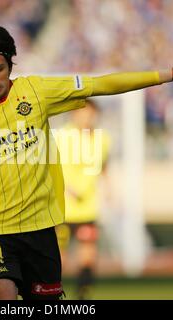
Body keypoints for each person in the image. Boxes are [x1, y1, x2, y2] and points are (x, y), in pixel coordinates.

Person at [0, 23, 173, 300]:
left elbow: (101, 84)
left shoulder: (36, 91)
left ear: (11, 65)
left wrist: (168, 74)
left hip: (42, 229)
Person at [55, 99, 111, 300]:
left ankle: (82, 295)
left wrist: (110, 189)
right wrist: (65, 187)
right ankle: (52, 293)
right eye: (82, 113)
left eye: (90, 113)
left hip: (88, 207)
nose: (86, 117)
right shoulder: (61, 136)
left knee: (88, 256)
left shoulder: (102, 139)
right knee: (58, 257)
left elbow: (104, 165)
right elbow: (50, 166)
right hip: (61, 207)